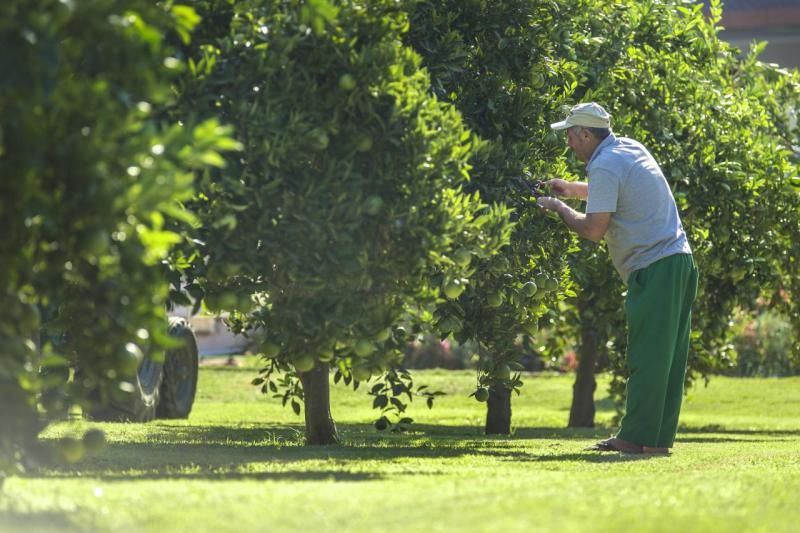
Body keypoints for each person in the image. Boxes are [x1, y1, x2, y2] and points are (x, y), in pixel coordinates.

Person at [537, 102, 699, 454]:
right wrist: (571, 188)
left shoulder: (605, 164)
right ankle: (655, 442)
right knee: (666, 360)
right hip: (679, 263)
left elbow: (594, 229)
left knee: (647, 356)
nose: (569, 144)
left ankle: (632, 439)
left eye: (570, 136)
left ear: (584, 134)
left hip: (655, 267)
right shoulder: (627, 148)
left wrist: (559, 208)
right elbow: (614, 189)